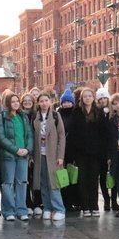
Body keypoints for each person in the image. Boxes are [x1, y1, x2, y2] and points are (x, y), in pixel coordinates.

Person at [69, 87, 109, 217]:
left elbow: (104, 133)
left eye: (90, 96)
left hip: (95, 152)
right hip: (80, 152)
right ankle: (85, 206)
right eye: (85, 96)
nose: (87, 98)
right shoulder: (76, 112)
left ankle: (94, 205)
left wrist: (104, 152)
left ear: (93, 98)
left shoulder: (99, 112)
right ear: (81, 98)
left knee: (93, 179)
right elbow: (73, 133)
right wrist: (74, 152)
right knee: (82, 179)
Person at [0, 92, 34, 221]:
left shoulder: (23, 117)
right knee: (8, 183)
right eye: (13, 101)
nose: (16, 103)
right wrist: (15, 150)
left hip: (23, 155)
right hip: (8, 156)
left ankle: (21, 209)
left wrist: (27, 149)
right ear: (7, 103)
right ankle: (8, 210)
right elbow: (1, 137)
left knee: (22, 182)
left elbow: (29, 135)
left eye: (17, 101)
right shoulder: (1, 117)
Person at [32, 92, 66, 221]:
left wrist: (60, 155)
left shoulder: (56, 116)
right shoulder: (35, 117)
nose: (44, 103)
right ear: (38, 103)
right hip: (39, 154)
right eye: (41, 101)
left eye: (46, 100)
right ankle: (47, 207)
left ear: (50, 102)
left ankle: (59, 208)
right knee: (43, 183)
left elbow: (61, 136)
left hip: (53, 155)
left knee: (54, 182)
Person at [96, 87, 119, 211]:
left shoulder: (114, 113)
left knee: (114, 174)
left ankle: (114, 200)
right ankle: (106, 200)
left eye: (105, 97)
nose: (103, 100)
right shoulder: (96, 113)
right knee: (103, 175)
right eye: (101, 98)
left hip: (113, 148)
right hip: (100, 150)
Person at [20, 92, 42, 216]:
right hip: (24, 151)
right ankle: (27, 203)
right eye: (25, 100)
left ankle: (37, 203)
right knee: (26, 178)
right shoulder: (20, 116)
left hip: (37, 150)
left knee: (36, 177)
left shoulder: (37, 115)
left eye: (30, 100)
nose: (27, 102)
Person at [57, 89, 79, 212]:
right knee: (62, 176)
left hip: (73, 150)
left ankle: (73, 201)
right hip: (61, 150)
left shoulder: (75, 114)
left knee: (73, 176)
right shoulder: (57, 114)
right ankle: (64, 201)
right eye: (64, 102)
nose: (66, 104)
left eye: (68, 102)